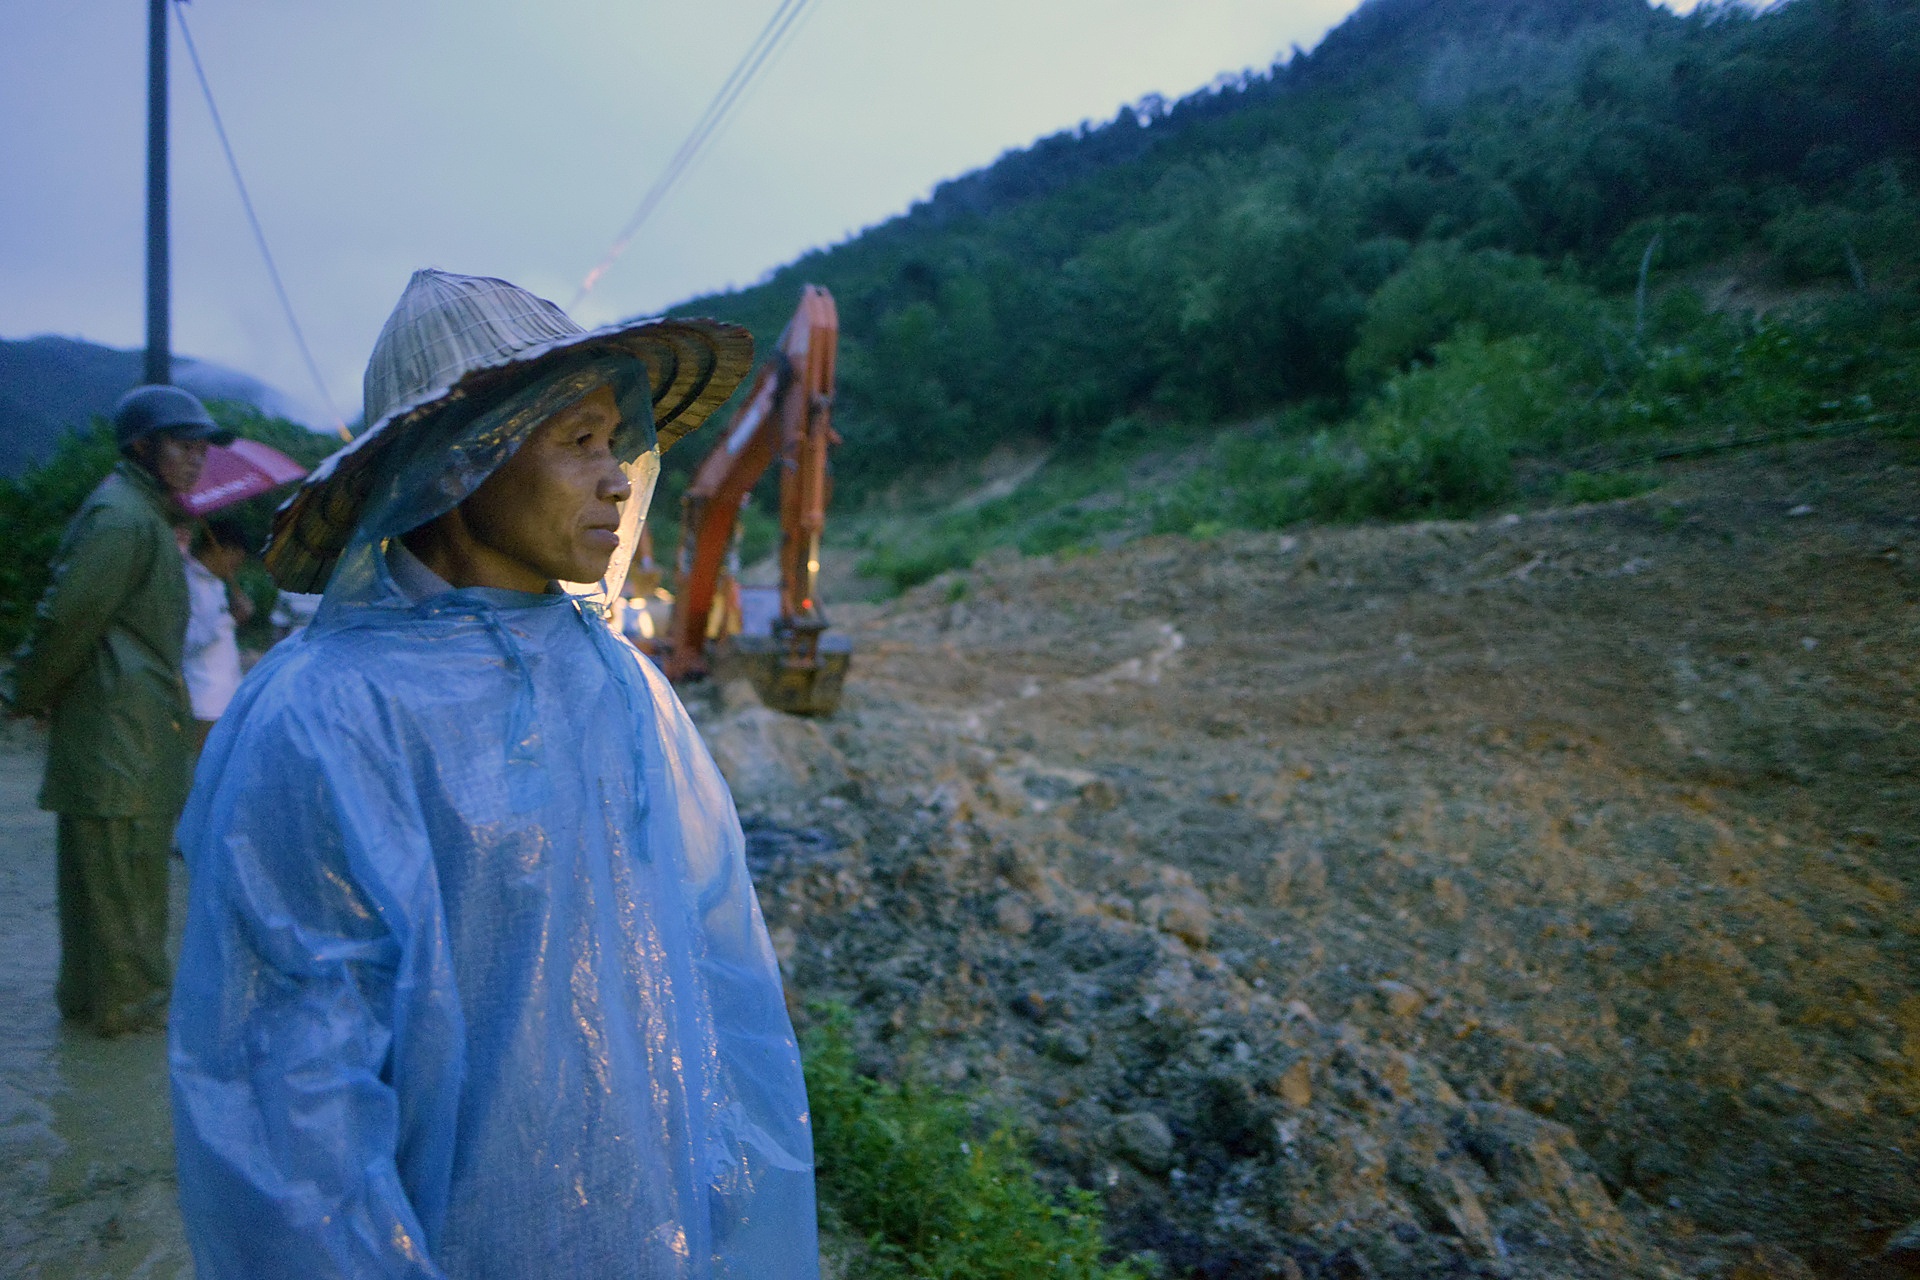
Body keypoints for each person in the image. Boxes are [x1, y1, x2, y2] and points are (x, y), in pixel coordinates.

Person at [169, 270, 817, 1279]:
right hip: (458, 1239)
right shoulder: (329, 713)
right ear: (457, 463)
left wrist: (716, 1175)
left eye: (616, 442)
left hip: (640, 1225)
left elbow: (697, 956)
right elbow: (297, 1107)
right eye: (578, 441)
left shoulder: (613, 679)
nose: (617, 478)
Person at [3, 385, 234, 1035]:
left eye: (201, 449)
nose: (196, 460)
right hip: (119, 737)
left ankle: (97, 1010)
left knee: (107, 888)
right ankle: (125, 1018)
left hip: (125, 732)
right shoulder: (125, 517)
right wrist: (24, 694)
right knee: (122, 891)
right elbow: (67, 617)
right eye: (183, 446)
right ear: (142, 447)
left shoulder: (141, 513)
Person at [181, 517, 255, 747]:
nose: (235, 569)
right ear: (223, 550)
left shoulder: (216, 584)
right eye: (234, 562)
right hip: (202, 701)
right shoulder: (187, 582)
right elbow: (186, 640)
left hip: (226, 697)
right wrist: (230, 619)